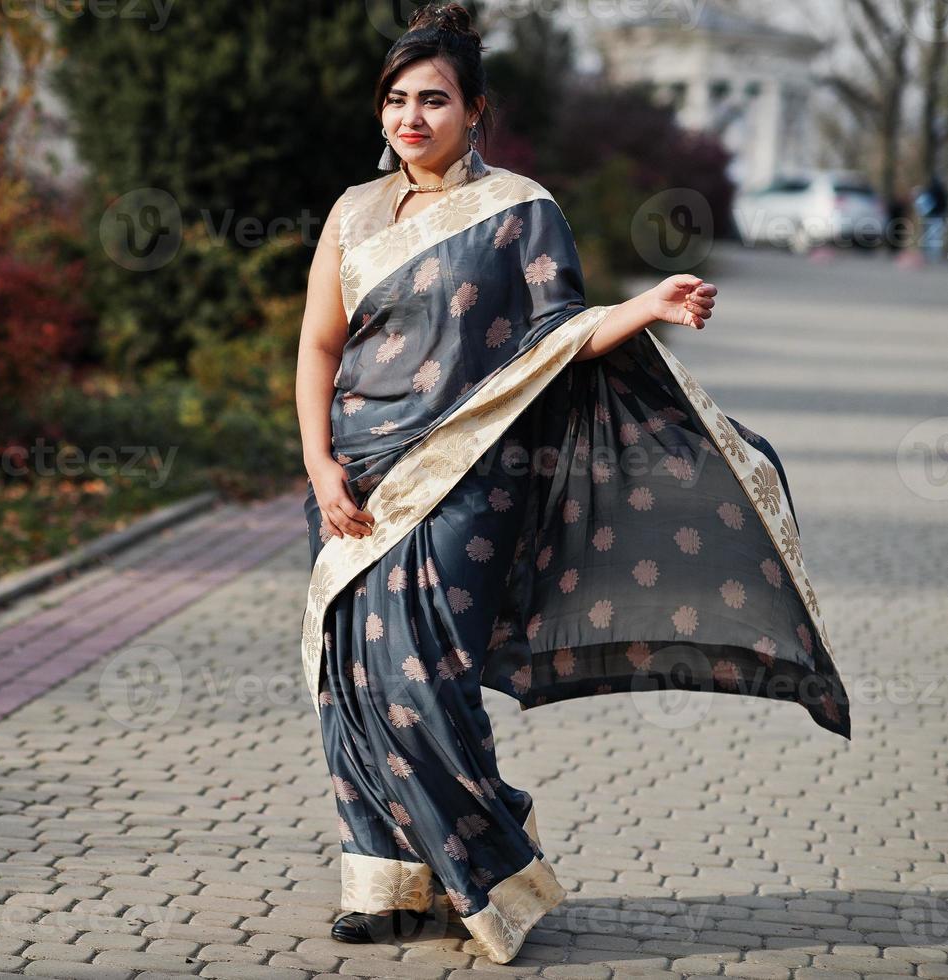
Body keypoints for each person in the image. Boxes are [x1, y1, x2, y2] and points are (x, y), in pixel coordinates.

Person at [294, 2, 852, 966]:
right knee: (351, 678)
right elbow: (317, 345)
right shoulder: (351, 211)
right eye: (396, 100)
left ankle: (487, 863)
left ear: (475, 110)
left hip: (473, 476)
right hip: (355, 472)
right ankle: (379, 881)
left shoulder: (519, 209)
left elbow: (557, 339)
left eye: (433, 100)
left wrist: (648, 305)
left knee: (421, 680)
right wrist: (317, 463)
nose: (411, 118)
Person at [914, 174, 946, 263]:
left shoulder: (929, 190)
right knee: (935, 238)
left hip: (929, 216)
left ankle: (929, 256)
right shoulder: (940, 191)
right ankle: (933, 257)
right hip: (937, 216)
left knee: (929, 238)